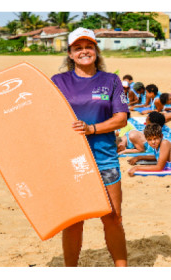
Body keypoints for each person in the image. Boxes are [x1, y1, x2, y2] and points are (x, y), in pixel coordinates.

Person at [50, 27, 128, 267]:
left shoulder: (110, 80)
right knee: (74, 221)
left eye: (88, 46)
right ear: (70, 54)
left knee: (112, 217)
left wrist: (91, 129)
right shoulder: (58, 81)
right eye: (78, 48)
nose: (84, 51)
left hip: (104, 157)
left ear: (96, 50)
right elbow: (36, 117)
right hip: (71, 159)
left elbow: (121, 119)